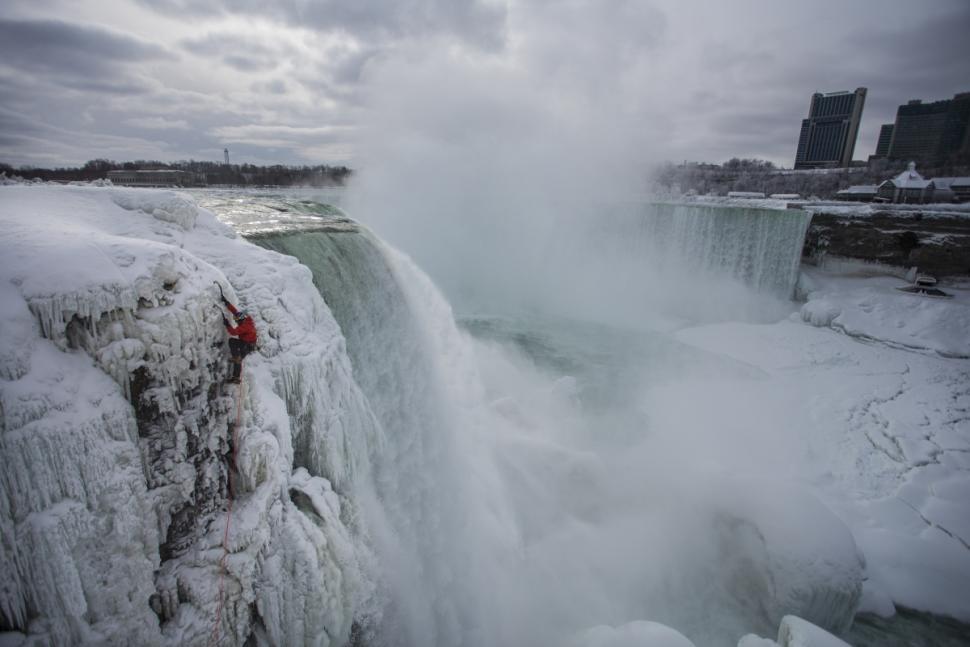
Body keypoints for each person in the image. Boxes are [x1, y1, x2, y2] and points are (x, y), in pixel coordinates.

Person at [220, 295, 257, 384]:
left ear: (241, 320)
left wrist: (227, 324)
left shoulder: (245, 326)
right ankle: (236, 378)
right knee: (238, 360)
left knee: (232, 341)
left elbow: (233, 332)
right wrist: (227, 303)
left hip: (246, 345)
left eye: (237, 321)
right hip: (248, 344)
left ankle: (236, 358)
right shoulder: (246, 319)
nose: (237, 323)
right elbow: (235, 312)